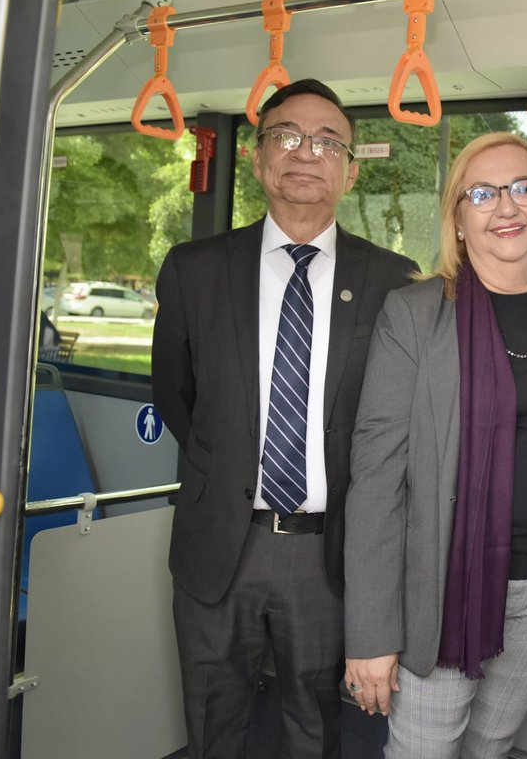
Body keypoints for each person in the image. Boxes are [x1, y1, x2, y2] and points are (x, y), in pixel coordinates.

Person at [151, 78, 417, 759]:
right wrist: (234, 465)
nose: (307, 152)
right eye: (288, 136)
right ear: (258, 156)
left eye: (328, 142)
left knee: (315, 729)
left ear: (351, 169)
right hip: (220, 546)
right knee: (214, 726)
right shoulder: (194, 269)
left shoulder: (394, 280)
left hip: (328, 554)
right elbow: (175, 395)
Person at [342, 132, 527, 758]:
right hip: (441, 592)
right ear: (458, 219)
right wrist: (372, 635)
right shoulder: (413, 315)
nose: (506, 208)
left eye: (522, 188)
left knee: (489, 748)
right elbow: (376, 480)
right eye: (481, 194)